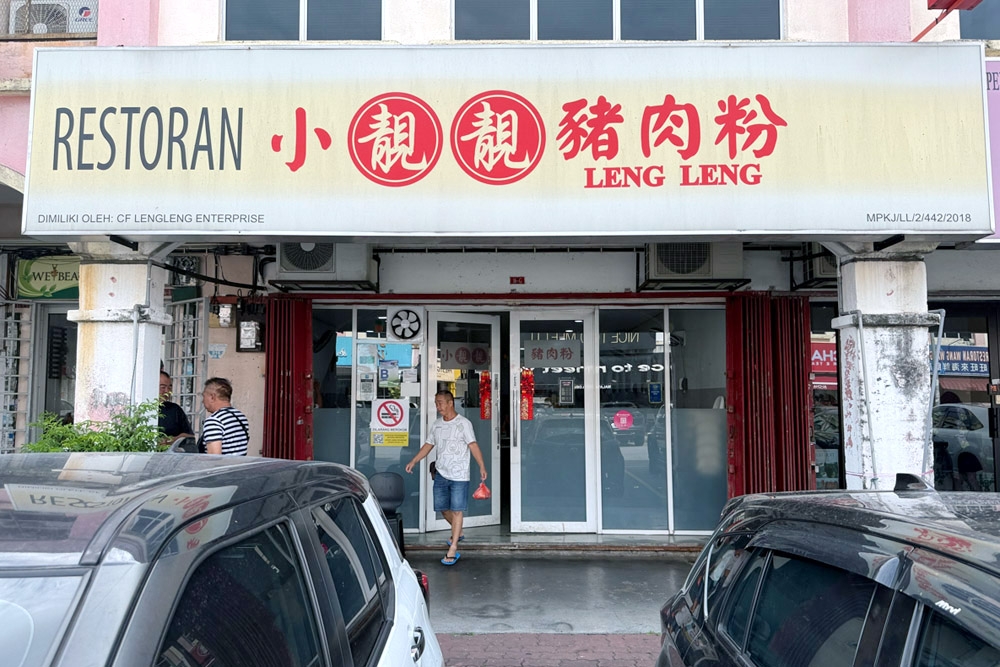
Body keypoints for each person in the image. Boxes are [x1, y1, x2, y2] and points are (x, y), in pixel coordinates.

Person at [405, 390, 487, 566]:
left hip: (459, 474)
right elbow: (428, 444)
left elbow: (473, 445)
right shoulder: (436, 425)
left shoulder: (463, 424)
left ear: (451, 403)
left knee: (457, 510)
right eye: (436, 403)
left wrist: (481, 465)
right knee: (443, 509)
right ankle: (458, 531)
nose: (438, 406)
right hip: (441, 472)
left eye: (441, 402)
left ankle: (453, 547)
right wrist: (414, 460)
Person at [198, 378, 249, 456]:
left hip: (224, 468)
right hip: (240, 467)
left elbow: (214, 459)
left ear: (212, 397)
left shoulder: (214, 421)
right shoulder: (240, 417)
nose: (202, 401)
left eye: (204, 396)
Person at [158, 371, 194, 446]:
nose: (167, 391)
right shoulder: (142, 408)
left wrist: (173, 440)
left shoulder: (175, 409)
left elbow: (190, 436)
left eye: (170, 387)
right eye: (163, 387)